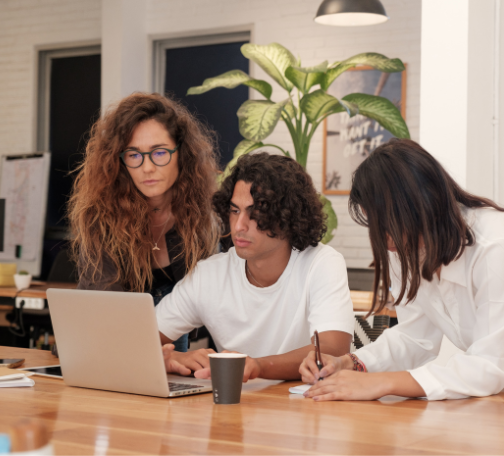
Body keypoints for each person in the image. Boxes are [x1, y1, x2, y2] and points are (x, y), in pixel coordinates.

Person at [300, 138, 504, 402]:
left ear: (421, 206)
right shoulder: (402, 244)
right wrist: (355, 364)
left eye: (388, 223)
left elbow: (490, 365)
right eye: (375, 226)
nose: (384, 240)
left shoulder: (498, 245)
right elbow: (416, 338)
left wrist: (382, 384)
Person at [156, 152, 355, 381]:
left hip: (309, 407)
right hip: (235, 407)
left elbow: (333, 349)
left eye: (255, 212)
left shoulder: (321, 263)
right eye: (234, 210)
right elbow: (137, 340)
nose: (239, 225)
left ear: (288, 216)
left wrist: (258, 367)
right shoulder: (209, 275)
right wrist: (171, 359)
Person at [68, 93, 219, 352]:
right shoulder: (99, 216)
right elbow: (103, 313)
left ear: (181, 154)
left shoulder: (205, 216)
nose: (147, 167)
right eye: (134, 155)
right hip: (111, 341)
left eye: (159, 152)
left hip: (175, 342)